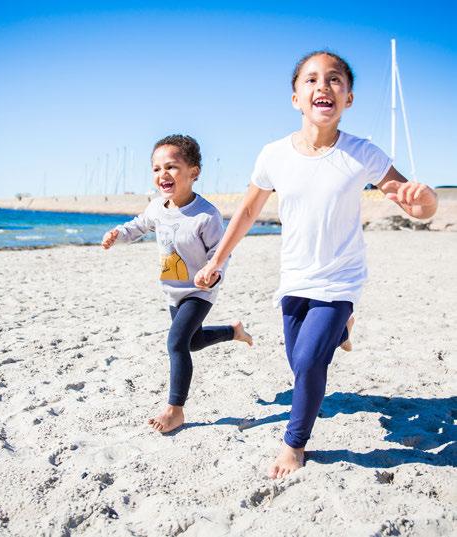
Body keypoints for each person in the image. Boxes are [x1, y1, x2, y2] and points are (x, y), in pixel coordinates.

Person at [194, 51, 438, 478]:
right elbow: (248, 212)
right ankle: (343, 329)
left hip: (341, 280)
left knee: (308, 362)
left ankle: (295, 443)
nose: (323, 86)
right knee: (297, 358)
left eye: (334, 80)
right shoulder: (273, 155)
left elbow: (414, 205)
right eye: (311, 80)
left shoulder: (363, 154)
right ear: (295, 98)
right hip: (295, 279)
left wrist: (426, 201)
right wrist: (217, 258)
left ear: (349, 98)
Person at [102, 134, 253, 433]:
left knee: (175, 343)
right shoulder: (158, 207)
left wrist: (213, 271)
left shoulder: (206, 215)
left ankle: (175, 410)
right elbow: (138, 226)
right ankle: (232, 331)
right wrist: (118, 234)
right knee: (191, 342)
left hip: (200, 291)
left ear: (193, 172)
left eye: (171, 167)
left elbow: (220, 254)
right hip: (173, 290)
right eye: (156, 169)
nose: (162, 175)